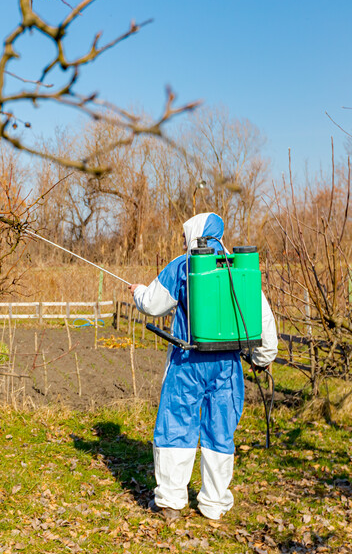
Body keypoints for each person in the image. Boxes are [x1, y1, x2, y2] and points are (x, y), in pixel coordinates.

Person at [128, 212, 277, 521]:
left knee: (176, 425)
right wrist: (262, 360)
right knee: (220, 432)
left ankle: (170, 502)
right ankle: (213, 504)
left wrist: (138, 292)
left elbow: (153, 305)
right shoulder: (239, 268)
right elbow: (263, 320)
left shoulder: (183, 266)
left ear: (192, 235)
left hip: (187, 362)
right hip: (227, 366)